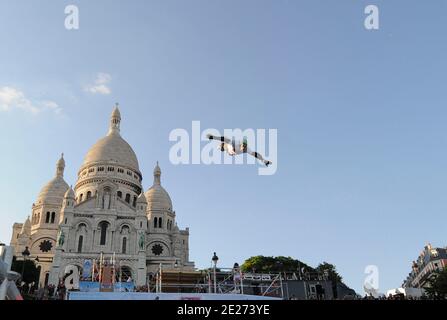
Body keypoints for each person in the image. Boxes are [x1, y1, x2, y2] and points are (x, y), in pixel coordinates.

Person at [207, 134, 272, 166]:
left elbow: (222, 139)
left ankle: (242, 145)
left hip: (238, 146)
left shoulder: (227, 143)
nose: (222, 150)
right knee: (251, 153)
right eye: (222, 150)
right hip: (239, 149)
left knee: (229, 143)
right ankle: (264, 160)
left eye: (222, 148)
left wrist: (213, 137)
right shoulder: (228, 151)